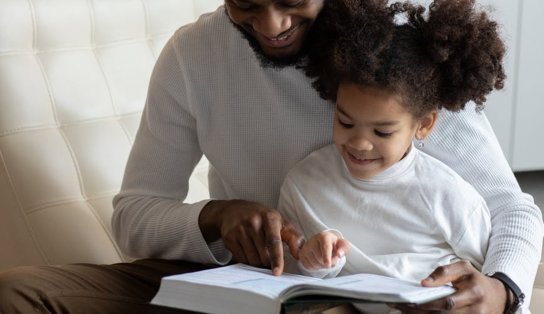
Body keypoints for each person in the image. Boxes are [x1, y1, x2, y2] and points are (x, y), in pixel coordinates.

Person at [0, 0, 541, 313]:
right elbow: (134, 214)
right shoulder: (194, 55)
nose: (270, 24)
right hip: (232, 282)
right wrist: (216, 217)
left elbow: (510, 207)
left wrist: (503, 289)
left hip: (348, 297)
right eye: (247, 3)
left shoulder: (394, 62)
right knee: (20, 295)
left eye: (290, 1)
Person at [279, 0, 495, 293]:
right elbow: (292, 278)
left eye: (382, 131)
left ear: (424, 125)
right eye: (345, 122)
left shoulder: (448, 196)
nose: (358, 143)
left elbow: (485, 280)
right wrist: (313, 259)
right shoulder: (303, 183)